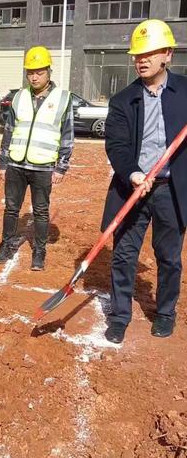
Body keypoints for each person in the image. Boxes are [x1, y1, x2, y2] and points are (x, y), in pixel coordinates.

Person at [102, 19, 187, 344]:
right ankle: (120, 315)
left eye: (150, 53)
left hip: (171, 190)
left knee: (168, 257)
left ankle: (165, 313)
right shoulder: (123, 100)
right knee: (123, 255)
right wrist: (133, 173)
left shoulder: (185, 92)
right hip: (133, 188)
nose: (142, 59)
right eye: (138, 54)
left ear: (167, 54)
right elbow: (117, 145)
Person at [0, 46, 74, 270]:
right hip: (16, 164)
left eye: (39, 71)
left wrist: (61, 167)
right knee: (11, 208)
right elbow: (8, 131)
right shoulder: (19, 96)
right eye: (30, 72)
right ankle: (5, 246)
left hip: (43, 167)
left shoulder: (63, 99)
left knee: (40, 211)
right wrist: (2, 162)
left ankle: (39, 252)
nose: (34, 76)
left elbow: (67, 135)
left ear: (49, 72)